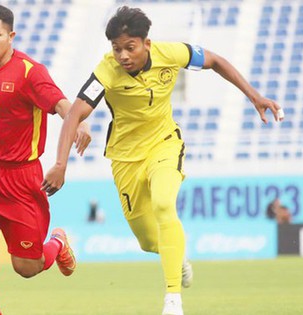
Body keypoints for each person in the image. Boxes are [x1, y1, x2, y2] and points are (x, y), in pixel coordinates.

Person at [41, 6, 283, 315]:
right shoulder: (106, 71)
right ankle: (176, 255)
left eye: (130, 47)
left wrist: (254, 96)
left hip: (164, 144)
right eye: (117, 49)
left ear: (147, 43)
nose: (123, 55)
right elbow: (75, 112)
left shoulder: (172, 53)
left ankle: (173, 300)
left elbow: (215, 61)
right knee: (146, 241)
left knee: (165, 205)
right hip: (125, 158)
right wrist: (60, 164)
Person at [0, 2, 91, 313]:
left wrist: (77, 126)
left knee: (27, 267)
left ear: (11, 35)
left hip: (20, 177)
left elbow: (61, 105)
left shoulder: (30, 72)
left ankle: (56, 242)